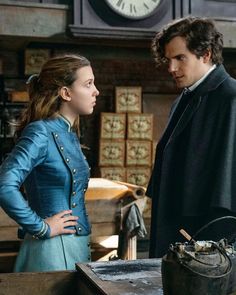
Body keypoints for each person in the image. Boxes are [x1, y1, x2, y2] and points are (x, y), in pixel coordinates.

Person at [0, 54, 99, 271]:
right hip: (52, 250)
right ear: (66, 93)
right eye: (88, 84)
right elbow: (4, 185)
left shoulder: (68, 132)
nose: (96, 91)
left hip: (75, 245)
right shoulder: (40, 132)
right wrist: (42, 228)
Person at [147, 17, 236, 258]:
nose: (171, 68)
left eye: (179, 58)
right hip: (176, 226)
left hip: (210, 236)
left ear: (205, 55)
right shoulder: (183, 99)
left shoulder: (231, 97)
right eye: (168, 60)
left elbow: (227, 183)